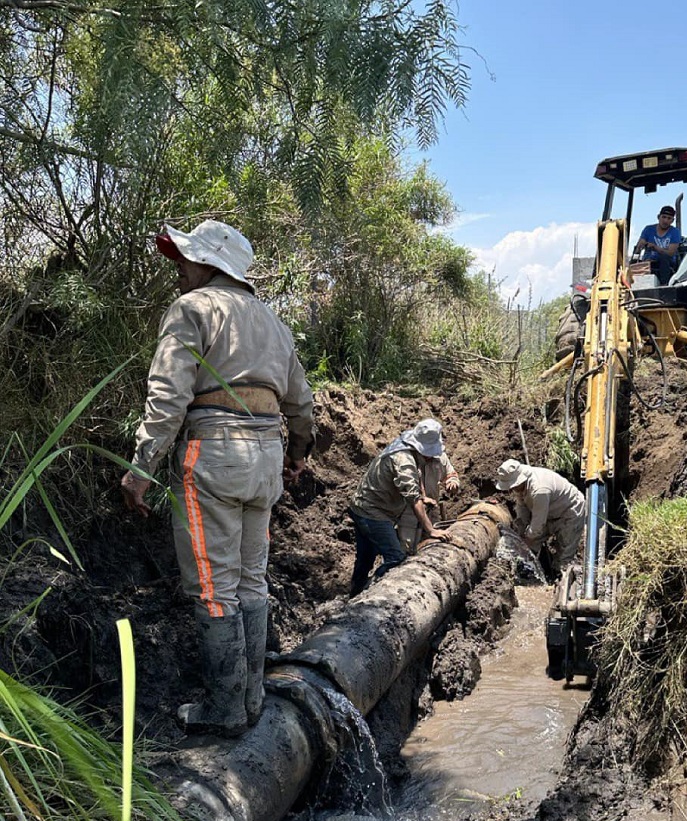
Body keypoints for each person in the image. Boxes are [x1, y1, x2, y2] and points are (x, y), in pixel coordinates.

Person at [120, 219, 315, 738]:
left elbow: (168, 398)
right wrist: (297, 456)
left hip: (214, 453)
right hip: (267, 458)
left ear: (209, 264)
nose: (179, 267)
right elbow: (301, 405)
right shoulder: (274, 323)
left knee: (212, 586)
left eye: (186, 258)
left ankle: (227, 708)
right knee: (252, 580)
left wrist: (141, 467)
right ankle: (251, 699)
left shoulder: (193, 309)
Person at [348, 419, 450, 596]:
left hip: (363, 506)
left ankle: (353, 595)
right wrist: (431, 529)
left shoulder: (404, 445)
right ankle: (371, 595)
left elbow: (412, 482)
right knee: (396, 557)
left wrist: (423, 497)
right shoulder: (404, 460)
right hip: (373, 512)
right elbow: (412, 497)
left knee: (365, 558)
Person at [494, 458, 585, 576]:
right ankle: (526, 568)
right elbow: (522, 507)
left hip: (570, 511)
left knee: (564, 554)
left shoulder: (539, 490)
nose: (511, 489)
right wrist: (521, 529)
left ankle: (558, 576)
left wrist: (526, 541)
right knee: (531, 541)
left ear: (519, 480)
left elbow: (538, 522)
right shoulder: (520, 486)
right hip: (549, 511)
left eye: (512, 486)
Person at [396, 449, 460, 553]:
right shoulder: (408, 459)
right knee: (407, 550)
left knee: (433, 547)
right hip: (410, 514)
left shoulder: (441, 457)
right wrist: (422, 498)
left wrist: (452, 482)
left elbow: (451, 474)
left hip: (432, 513)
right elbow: (402, 487)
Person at [636, 205, 683, 286]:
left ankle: (664, 285)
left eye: (669, 218)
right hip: (648, 263)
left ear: (672, 220)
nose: (665, 221)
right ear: (658, 217)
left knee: (664, 258)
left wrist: (655, 247)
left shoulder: (675, 232)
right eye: (663, 217)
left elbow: (670, 253)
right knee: (634, 262)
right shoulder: (648, 229)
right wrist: (641, 245)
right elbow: (638, 248)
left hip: (667, 265)